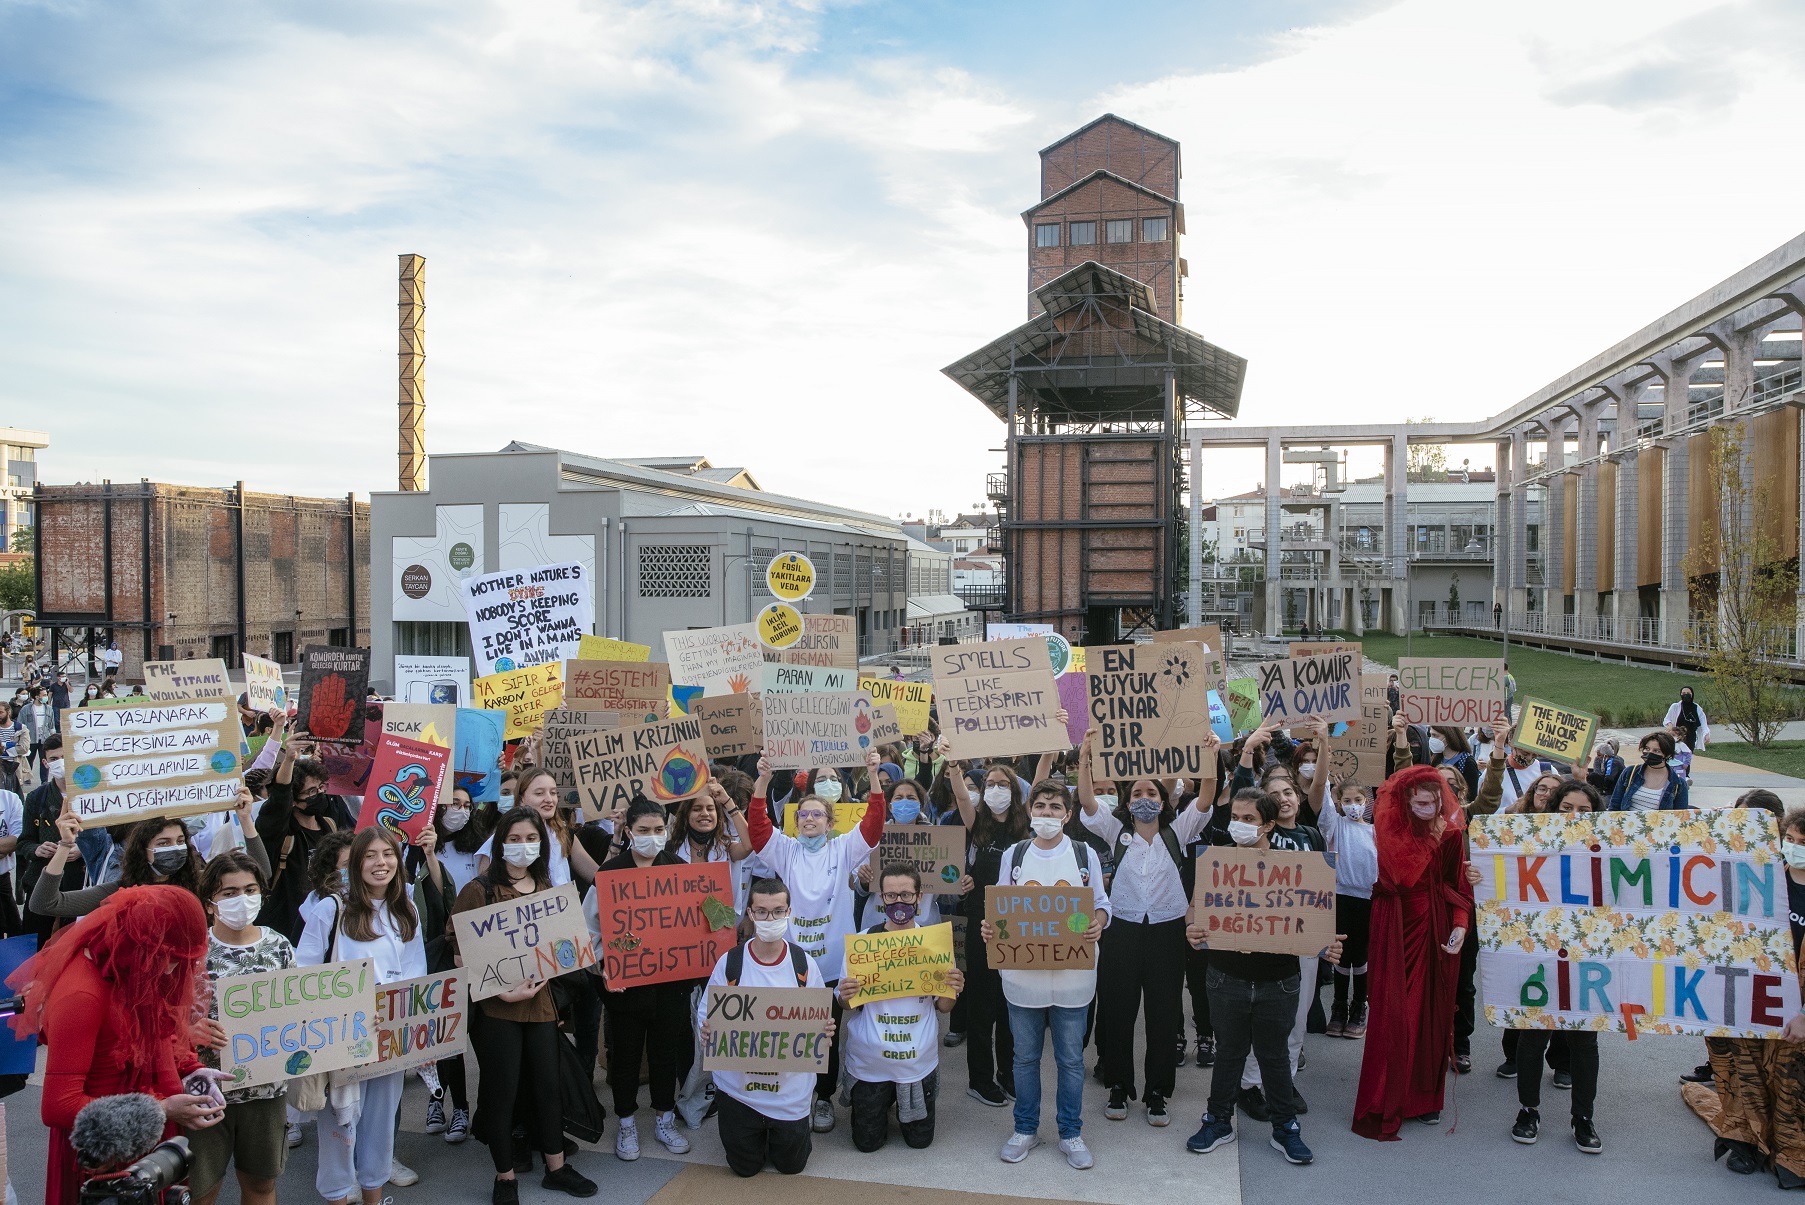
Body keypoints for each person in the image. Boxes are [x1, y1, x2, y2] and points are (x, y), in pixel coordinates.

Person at [10, 885, 229, 1205]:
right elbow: (57, 1106)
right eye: (169, 957)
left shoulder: (133, 965)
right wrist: (161, 1109)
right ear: (142, 941)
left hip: (146, 1143)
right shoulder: (81, 996)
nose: (173, 969)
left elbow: (156, 1032)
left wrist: (191, 1070)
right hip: (102, 1157)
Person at [1185, 788, 1344, 1166]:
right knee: (1229, 1054)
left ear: (1269, 824)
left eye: (1249, 819)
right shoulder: (1216, 862)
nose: (1238, 825)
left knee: (1274, 1056)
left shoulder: (1297, 868)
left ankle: (1285, 1127)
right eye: (1234, 818)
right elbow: (1194, 910)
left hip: (1278, 982)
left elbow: (1314, 919)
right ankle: (1218, 1121)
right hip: (1226, 978)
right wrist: (1192, 928)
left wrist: (1326, 944)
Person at [450, 808, 598, 1202]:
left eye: (531, 839)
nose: (523, 846)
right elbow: (460, 952)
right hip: (497, 1010)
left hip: (542, 1005)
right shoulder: (479, 891)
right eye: (514, 839)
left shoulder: (547, 886)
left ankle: (557, 1168)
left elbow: (561, 947)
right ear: (500, 844)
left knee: (548, 1087)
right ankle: (505, 1178)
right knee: (502, 1092)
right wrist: (501, 991)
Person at [1077, 728, 1214, 1128]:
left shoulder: (1178, 831)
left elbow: (1206, 799)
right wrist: (1085, 760)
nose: (1144, 798)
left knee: (1163, 1013)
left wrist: (1209, 758)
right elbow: (1087, 802)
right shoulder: (1116, 832)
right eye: (1136, 793)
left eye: (1151, 793)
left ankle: (1157, 1092)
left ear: (1164, 799)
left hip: (1167, 933)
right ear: (1126, 802)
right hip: (1122, 930)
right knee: (1118, 1010)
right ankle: (1119, 1085)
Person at [747, 748, 887, 1133]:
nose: (809, 819)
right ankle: (791, 1094)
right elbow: (758, 829)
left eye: (817, 815)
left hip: (831, 964)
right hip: (792, 963)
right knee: (790, 1029)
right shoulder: (786, 851)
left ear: (830, 822)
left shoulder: (843, 849)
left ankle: (823, 1098)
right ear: (795, 823)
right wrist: (762, 779)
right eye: (803, 815)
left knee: (825, 1032)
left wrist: (873, 775)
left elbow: (874, 824)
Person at [296, 827, 431, 1205]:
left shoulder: (407, 910)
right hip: (342, 1043)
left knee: (380, 1129)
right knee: (339, 1130)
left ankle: (374, 1196)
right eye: (370, 855)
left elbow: (415, 973)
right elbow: (303, 975)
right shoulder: (331, 910)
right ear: (356, 863)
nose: (380, 863)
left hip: (389, 1040)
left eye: (387, 854)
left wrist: (419, 1034)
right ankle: (339, 1196)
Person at [983, 781, 1110, 1170]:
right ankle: (1025, 1129)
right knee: (1024, 1058)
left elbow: (1102, 904)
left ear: (1068, 815)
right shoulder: (1015, 854)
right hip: (1023, 977)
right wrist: (991, 928)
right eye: (1040, 806)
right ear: (1030, 811)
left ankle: (1070, 1133)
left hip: (1073, 977)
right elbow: (1001, 906)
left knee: (1070, 1060)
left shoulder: (1085, 854)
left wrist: (1098, 922)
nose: (1047, 813)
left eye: (1055, 807)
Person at [1351, 764, 1473, 1140]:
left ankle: (1424, 1099)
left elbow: (1457, 886)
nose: (1427, 807)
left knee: (1432, 1012)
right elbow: (1390, 876)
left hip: (1434, 926)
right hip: (1392, 923)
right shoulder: (1386, 829)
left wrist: (1460, 925)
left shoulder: (1450, 834)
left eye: (1433, 801)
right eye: (1419, 802)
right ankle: (1387, 1094)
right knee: (1392, 1011)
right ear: (1405, 801)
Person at [698, 876, 834, 1176]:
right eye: (761, 911)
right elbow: (706, 1012)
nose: (769, 918)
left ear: (789, 912)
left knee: (791, 1166)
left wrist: (824, 1032)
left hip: (790, 1094)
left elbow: (819, 1020)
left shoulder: (803, 965)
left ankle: (785, 1133)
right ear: (750, 913)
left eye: (777, 911)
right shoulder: (730, 963)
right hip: (738, 1093)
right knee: (744, 1168)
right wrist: (706, 1031)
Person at [189, 851, 295, 1205]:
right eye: (230, 893)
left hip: (265, 1091)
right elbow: (164, 1016)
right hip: (204, 1092)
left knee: (261, 1185)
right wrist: (189, 1031)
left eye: (250, 890)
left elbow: (305, 1010)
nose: (242, 899)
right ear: (211, 903)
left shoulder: (279, 946)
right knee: (200, 1190)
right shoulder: (192, 951)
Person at [837, 862, 964, 1151]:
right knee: (866, 1144)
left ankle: (899, 1100)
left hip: (916, 1061)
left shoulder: (934, 944)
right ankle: (878, 1101)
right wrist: (844, 994)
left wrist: (954, 988)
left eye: (906, 895)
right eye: (891, 895)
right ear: (881, 897)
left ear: (919, 897)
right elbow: (846, 1004)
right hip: (870, 1061)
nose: (899, 902)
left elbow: (944, 1007)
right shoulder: (862, 943)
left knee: (920, 1142)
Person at [597, 797, 697, 1161]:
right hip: (626, 986)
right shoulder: (610, 874)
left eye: (658, 829)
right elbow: (591, 929)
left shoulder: (680, 869)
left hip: (671, 983)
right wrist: (603, 967)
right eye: (643, 830)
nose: (652, 836)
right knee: (625, 1055)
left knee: (664, 1053)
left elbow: (696, 921)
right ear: (628, 831)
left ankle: (664, 1119)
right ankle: (626, 1122)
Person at [32, 791, 268, 920]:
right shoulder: (120, 891)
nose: (174, 848)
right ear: (142, 851)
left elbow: (261, 873)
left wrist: (245, 820)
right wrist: (65, 844)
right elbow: (45, 903)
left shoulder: (199, 882)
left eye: (180, 841)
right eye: (163, 843)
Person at [407, 810, 471, 1145]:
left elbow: (442, 895)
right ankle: (436, 1098)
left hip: (435, 963)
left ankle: (458, 1107)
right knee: (423, 1042)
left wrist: (430, 854)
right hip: (403, 970)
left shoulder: (424, 860)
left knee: (447, 1039)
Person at [258, 739, 357, 942]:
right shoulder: (281, 831)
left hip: (328, 922)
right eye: (311, 792)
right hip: (290, 926)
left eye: (321, 788)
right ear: (294, 799)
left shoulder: (329, 824)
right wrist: (289, 760)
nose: (319, 794)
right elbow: (279, 798)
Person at [1318, 774, 1376, 1039]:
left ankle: (1359, 1005)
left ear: (1366, 802)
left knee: (1360, 955)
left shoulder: (1375, 831)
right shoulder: (1337, 827)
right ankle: (1339, 1006)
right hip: (1341, 896)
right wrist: (1328, 787)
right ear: (1340, 803)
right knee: (1340, 954)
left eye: (1358, 800)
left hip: (1367, 900)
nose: (1353, 805)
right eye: (1347, 801)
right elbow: (1325, 816)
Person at [1608, 731, 1690, 811]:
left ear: (1668, 755)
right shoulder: (1630, 773)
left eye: (1657, 751)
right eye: (1647, 749)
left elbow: (1681, 816)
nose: (1650, 753)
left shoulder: (1679, 784)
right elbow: (1614, 806)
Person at [1665, 685, 1710, 750]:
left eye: (1688, 693)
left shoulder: (1697, 708)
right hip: (1677, 736)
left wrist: (1706, 734)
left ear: (1692, 694)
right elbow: (1667, 719)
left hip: (1691, 737)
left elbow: (1703, 723)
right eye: (1683, 693)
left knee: (1688, 753)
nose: (1686, 695)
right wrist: (1670, 725)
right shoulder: (1675, 706)